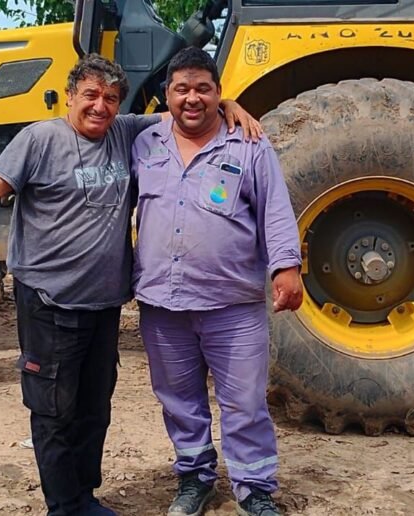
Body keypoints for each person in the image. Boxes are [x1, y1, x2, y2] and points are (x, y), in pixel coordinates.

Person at [0, 53, 260, 516]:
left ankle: (85, 497)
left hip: (103, 304)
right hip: (51, 301)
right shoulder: (40, 139)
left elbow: (185, 107)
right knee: (54, 409)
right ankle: (66, 506)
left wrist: (228, 104)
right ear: (71, 96)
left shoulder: (125, 131)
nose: (101, 107)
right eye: (91, 95)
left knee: (94, 407)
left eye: (111, 98)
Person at [131, 47, 303, 516]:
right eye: (182, 89)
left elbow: (275, 210)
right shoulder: (144, 142)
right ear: (166, 94)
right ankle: (194, 479)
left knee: (245, 402)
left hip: (233, 305)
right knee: (179, 401)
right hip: (163, 305)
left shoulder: (249, 144)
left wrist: (286, 266)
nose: (192, 99)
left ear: (219, 94)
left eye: (203, 89)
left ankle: (255, 488)